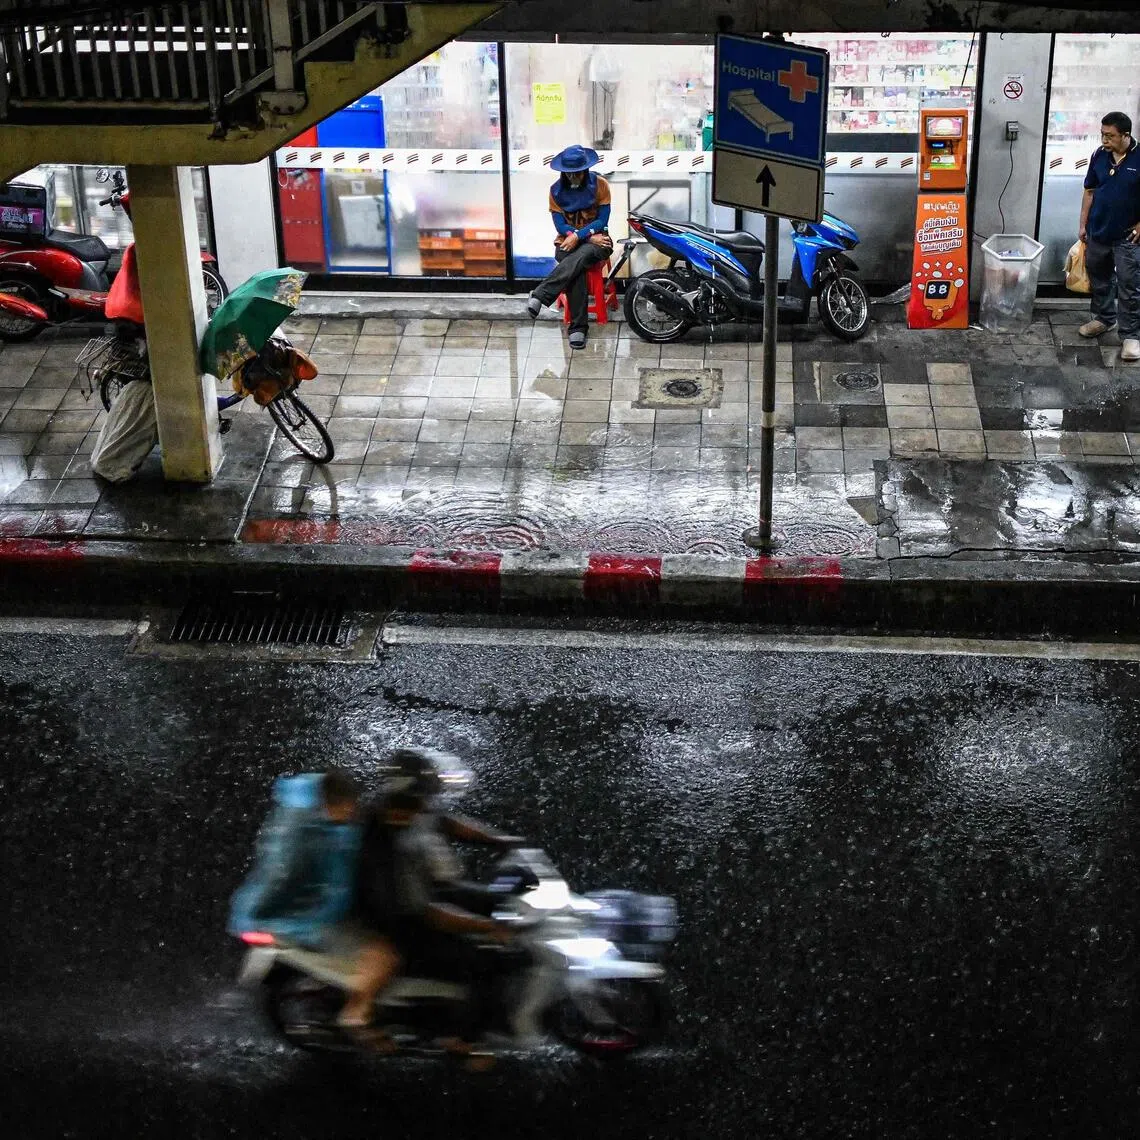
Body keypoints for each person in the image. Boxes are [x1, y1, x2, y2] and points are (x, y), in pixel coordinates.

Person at [355, 748, 521, 1055]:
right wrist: (486, 927)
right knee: (484, 962)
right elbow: (428, 913)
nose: (423, 808)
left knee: (496, 900)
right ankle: (463, 1039)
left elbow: (445, 822)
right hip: (399, 921)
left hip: (426, 894)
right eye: (420, 802)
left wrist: (499, 840)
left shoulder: (405, 805)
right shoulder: (386, 850)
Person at [227, 768, 401, 1049]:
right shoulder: (304, 832)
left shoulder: (311, 818)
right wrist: (268, 916)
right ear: (335, 803)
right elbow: (280, 875)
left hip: (312, 911)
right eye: (350, 807)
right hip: (305, 920)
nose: (353, 813)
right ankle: (356, 1014)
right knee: (383, 955)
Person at [526, 145, 614, 350]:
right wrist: (575, 236)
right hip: (567, 240)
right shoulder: (555, 191)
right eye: (569, 174)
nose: (574, 177)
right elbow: (560, 225)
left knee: (580, 256)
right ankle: (577, 328)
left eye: (577, 173)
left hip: (599, 241)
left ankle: (541, 295)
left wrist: (581, 236)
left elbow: (602, 220)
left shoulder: (601, 185)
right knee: (577, 267)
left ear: (585, 170)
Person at [1079, 110, 1140, 361]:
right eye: (1102, 134)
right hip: (1098, 231)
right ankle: (1104, 318)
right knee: (1100, 277)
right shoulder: (1099, 156)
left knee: (1129, 285)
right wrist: (1083, 225)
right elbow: (1089, 191)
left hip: (1127, 237)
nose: (1105, 140)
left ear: (1126, 135)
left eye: (1110, 136)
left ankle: (1131, 335)